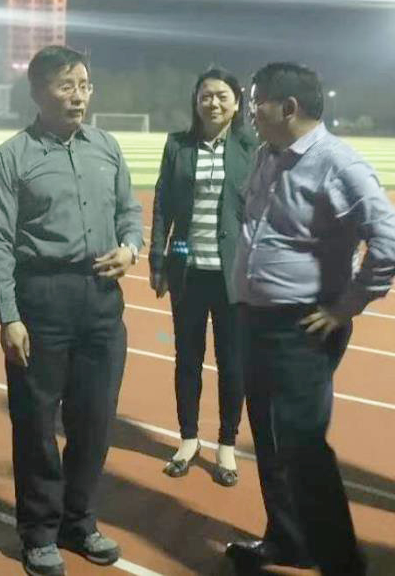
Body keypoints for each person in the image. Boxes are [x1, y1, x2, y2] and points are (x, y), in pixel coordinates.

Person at [225, 62, 395, 574]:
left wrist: (344, 307)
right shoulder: (267, 154)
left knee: (303, 449)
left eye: (257, 100)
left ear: (288, 107)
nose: (250, 110)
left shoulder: (338, 165)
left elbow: (393, 243)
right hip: (256, 320)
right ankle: (287, 540)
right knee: (268, 441)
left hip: (301, 329)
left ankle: (341, 564)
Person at [0, 45, 143, 576]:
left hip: (102, 299)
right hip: (42, 299)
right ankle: (39, 532)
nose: (79, 96)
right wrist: (9, 316)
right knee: (35, 423)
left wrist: (131, 247)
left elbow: (130, 211)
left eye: (85, 85)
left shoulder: (107, 147)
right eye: (66, 86)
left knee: (95, 420)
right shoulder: (10, 159)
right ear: (37, 92)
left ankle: (79, 521)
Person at [149, 68, 256, 487]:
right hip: (188, 269)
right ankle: (188, 439)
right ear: (196, 101)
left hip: (234, 277)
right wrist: (160, 260)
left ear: (236, 102)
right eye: (206, 96)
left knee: (232, 363)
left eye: (222, 96)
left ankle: (226, 444)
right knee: (188, 360)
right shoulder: (178, 145)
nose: (213, 103)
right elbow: (164, 204)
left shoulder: (251, 147)